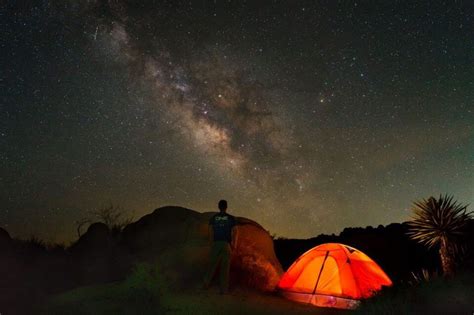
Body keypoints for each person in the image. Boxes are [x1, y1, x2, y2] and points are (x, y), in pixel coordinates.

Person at [202, 199, 237, 294]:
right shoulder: (231, 218)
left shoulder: (214, 218)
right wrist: (234, 244)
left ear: (219, 207)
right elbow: (235, 231)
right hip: (226, 244)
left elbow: (210, 231)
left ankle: (205, 284)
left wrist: (211, 243)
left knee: (211, 265)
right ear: (226, 207)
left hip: (216, 243)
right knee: (225, 268)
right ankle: (224, 290)